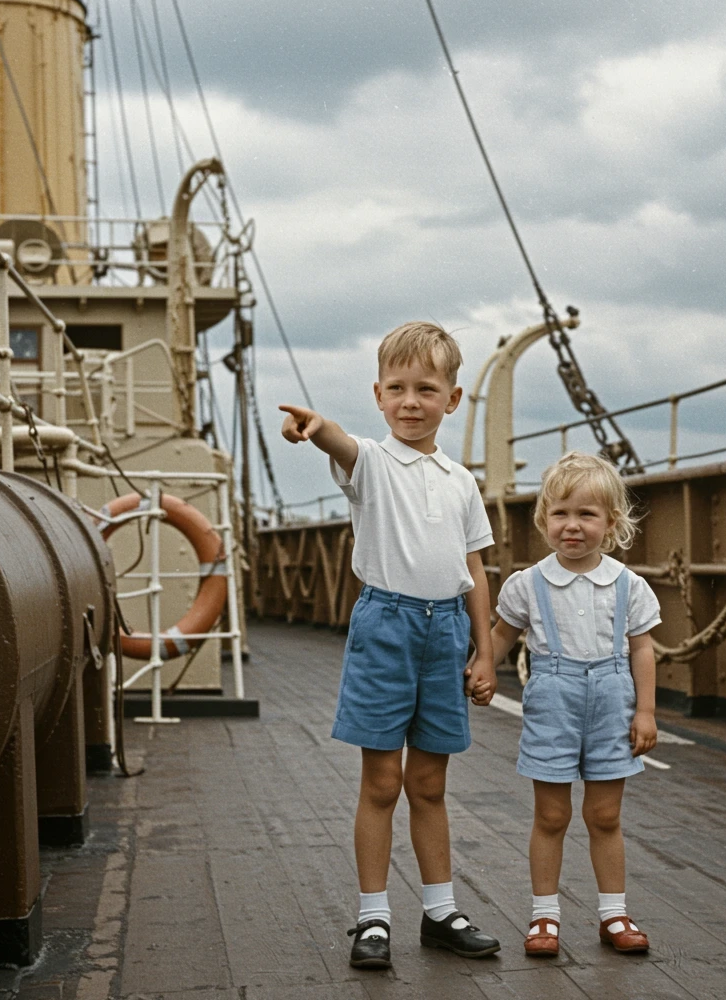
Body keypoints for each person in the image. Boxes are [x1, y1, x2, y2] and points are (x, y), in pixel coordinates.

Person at [279, 321, 501, 970]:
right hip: (386, 627)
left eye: (426, 389)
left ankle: (440, 910)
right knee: (381, 781)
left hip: (446, 631)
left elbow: (477, 569)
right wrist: (316, 427)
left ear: (452, 399)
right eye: (397, 388)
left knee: (429, 783)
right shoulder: (370, 464)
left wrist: (484, 652)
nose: (411, 401)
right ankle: (373, 917)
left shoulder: (461, 482)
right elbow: (341, 444)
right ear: (378, 395)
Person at [472, 450, 660, 956]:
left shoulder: (628, 585)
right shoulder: (527, 585)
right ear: (543, 519)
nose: (571, 526)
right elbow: (503, 633)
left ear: (611, 523)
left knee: (605, 816)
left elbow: (642, 649)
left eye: (586, 515)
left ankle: (614, 914)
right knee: (551, 816)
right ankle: (545, 917)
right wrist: (485, 665)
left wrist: (645, 710)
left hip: (613, 702)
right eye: (560, 514)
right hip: (553, 701)